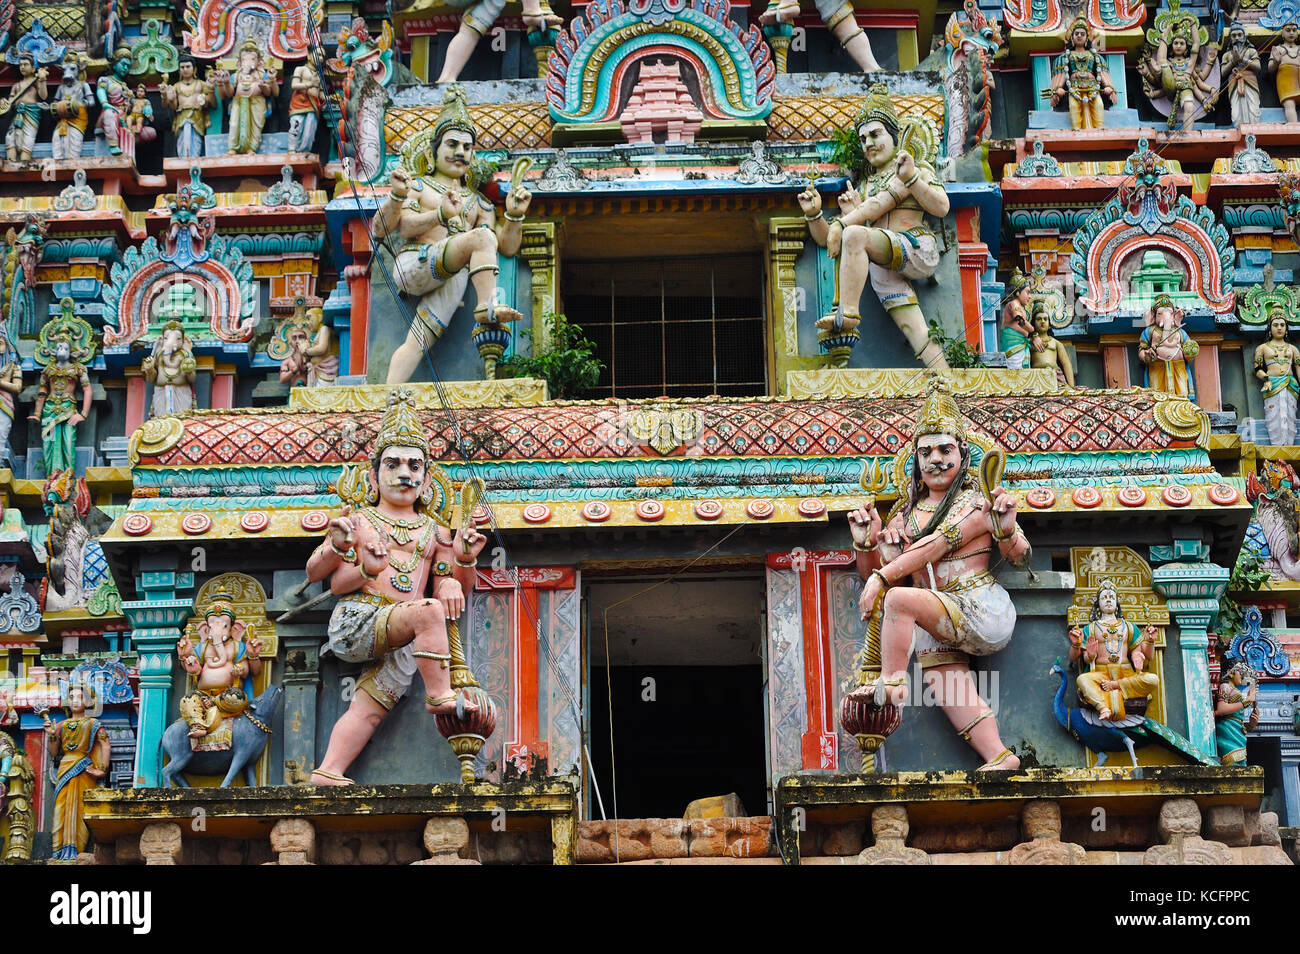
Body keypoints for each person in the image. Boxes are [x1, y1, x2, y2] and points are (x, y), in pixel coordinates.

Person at [842, 382, 1030, 770]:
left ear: (963, 452)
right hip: (936, 614)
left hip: (978, 605)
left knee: (899, 600)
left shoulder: (978, 503)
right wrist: (867, 547)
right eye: (925, 452)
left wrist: (1007, 528)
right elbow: (876, 581)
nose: (935, 459)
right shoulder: (904, 515)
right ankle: (999, 756)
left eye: (945, 449)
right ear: (915, 459)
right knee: (944, 682)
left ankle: (893, 683)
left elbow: (1015, 556)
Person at [306, 391, 488, 785]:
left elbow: (450, 586)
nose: (405, 473)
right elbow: (323, 576)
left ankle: (328, 771)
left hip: (406, 636)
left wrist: (464, 562)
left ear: (426, 479)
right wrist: (344, 549)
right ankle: (439, 694)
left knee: (370, 706)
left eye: (414, 465)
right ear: (373, 477)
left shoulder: (435, 530)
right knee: (428, 612)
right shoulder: (360, 521)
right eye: (393, 464)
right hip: (359, 621)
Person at [373, 86, 529, 384]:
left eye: (467, 147)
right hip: (415, 264)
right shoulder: (420, 186)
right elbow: (400, 226)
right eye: (452, 144)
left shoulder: (478, 202)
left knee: (417, 340)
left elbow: (505, 247)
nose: (460, 152)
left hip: (452, 276)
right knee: (481, 238)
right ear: (435, 150)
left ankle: (388, 397)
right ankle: (486, 306)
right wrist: (438, 214)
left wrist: (514, 215)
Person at [796, 84, 950, 369]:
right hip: (885, 262)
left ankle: (849, 312)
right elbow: (830, 240)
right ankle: (946, 381)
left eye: (876, 134)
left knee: (854, 232)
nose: (868, 143)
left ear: (894, 136)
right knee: (913, 329)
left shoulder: (912, 169)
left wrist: (913, 179)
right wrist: (815, 215)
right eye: (863, 138)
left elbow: (940, 206)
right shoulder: (866, 186)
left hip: (915, 247)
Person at [1067, 579, 1159, 721]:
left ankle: (1115, 687)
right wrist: (1088, 654)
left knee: (1153, 679)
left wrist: (1149, 642)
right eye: (1104, 597)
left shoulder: (1128, 627)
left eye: (1112, 597)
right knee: (1082, 680)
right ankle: (1103, 706)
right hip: (1101, 674)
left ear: (1117, 603)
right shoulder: (1090, 628)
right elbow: (1076, 658)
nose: (1108, 600)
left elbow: (1147, 655)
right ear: (1098, 604)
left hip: (1125, 674)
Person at [176, 594, 262, 741]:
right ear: (206, 629)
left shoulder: (237, 646)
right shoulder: (203, 647)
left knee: (236, 698)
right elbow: (194, 668)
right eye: (212, 626)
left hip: (227, 695)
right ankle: (198, 725)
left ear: (234, 629)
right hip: (203, 695)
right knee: (187, 700)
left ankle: (214, 704)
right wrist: (187, 660)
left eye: (223, 626)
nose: (216, 631)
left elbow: (251, 671)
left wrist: (243, 666)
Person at [43, 684, 110, 860]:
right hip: (65, 768)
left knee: (79, 809)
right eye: (71, 697)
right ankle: (58, 852)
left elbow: (104, 744)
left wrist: (101, 770)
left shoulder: (93, 723)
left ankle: (75, 852)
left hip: (83, 769)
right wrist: (51, 735)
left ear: (87, 701)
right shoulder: (62, 725)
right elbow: (55, 752)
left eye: (79, 697)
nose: (74, 701)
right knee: (61, 809)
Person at [1049, 18, 1117, 130]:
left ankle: (1099, 131)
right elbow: (1061, 74)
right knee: (1074, 107)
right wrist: (1058, 89)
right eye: (1076, 34)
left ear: (1087, 38)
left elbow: (1102, 73)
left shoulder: (1094, 56)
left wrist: (1109, 87)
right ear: (1072, 38)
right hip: (1074, 88)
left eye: (1082, 34)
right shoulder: (1066, 56)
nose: (1079, 36)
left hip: (1092, 87)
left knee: (1099, 105)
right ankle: (1076, 132)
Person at [215, 40, 279, 154]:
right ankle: (233, 148)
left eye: (252, 59)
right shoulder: (236, 75)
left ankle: (252, 148)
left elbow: (271, 93)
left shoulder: (261, 75)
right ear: (240, 62)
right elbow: (229, 94)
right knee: (234, 124)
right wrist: (225, 82)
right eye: (245, 59)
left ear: (259, 61)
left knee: (256, 125)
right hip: (238, 103)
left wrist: (265, 85)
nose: (248, 62)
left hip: (257, 103)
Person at [1138, 294, 1198, 397]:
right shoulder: (1150, 332)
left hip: (1179, 366)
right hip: (1157, 366)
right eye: (1160, 313)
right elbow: (1141, 350)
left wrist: (1190, 354)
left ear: (1175, 316)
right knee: (1157, 394)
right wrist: (1147, 355)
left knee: (1182, 393)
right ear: (1153, 316)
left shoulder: (1180, 332)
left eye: (1170, 313)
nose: (1166, 316)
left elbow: (1188, 348)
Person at [1254, 309, 1300, 445]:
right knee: (1273, 416)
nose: (1279, 328)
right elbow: (1257, 369)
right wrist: (1266, 379)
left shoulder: (1293, 349)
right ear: (1270, 328)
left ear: (1286, 328)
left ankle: (1289, 445)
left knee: (1290, 416)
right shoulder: (1262, 348)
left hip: (1291, 385)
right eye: (1275, 325)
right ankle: (1276, 446)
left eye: (1282, 325)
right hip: (1272, 385)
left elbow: (1298, 368)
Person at [160, 57, 215, 158]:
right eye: (182, 67)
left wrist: (209, 92)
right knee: (182, 142)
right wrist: (166, 97)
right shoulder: (176, 86)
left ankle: (194, 161)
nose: (185, 69)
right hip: (181, 117)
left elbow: (213, 104)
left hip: (197, 117)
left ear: (194, 69)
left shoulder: (201, 84)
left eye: (188, 66)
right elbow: (171, 107)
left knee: (196, 142)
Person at [2, 55, 48, 162]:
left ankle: (24, 162)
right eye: (21, 65)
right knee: (9, 139)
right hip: (17, 115)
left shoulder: (36, 82)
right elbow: (11, 102)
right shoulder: (16, 85)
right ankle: (11, 162)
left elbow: (44, 96)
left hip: (31, 115)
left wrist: (42, 79)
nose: (22, 67)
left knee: (27, 140)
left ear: (33, 68)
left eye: (25, 64)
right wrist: (4, 103)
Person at [1214, 662, 1256, 766]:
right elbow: (1221, 709)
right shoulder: (1225, 687)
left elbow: (1237, 719)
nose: (1242, 675)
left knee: (1240, 763)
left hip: (1236, 730)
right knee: (1232, 762)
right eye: (1240, 672)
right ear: (1230, 672)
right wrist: (1246, 701)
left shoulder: (1234, 690)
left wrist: (1251, 724)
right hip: (1227, 728)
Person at [1221, 21, 1262, 125]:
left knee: (1253, 108)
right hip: (1234, 82)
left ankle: (1253, 128)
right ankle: (1239, 127)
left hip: (1250, 81)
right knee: (1236, 112)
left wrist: (1243, 60)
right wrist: (1233, 62)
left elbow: (1258, 67)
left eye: (1240, 35)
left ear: (1244, 36)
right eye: (1234, 35)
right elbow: (1223, 72)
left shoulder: (1251, 51)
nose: (1237, 38)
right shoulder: (1226, 55)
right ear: (1230, 38)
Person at [999, 268, 1041, 369]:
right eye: (1027, 292)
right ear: (1017, 292)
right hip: (1013, 347)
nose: (1030, 296)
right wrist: (1033, 332)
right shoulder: (1013, 304)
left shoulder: (1019, 306)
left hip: (1021, 346)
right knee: (1015, 371)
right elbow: (1019, 319)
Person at [1028, 300, 1074, 387]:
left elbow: (1066, 364)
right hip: (1037, 377)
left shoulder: (1056, 343)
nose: (1042, 321)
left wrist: (1071, 386)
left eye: (1045, 319)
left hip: (1055, 376)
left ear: (1049, 324)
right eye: (1038, 319)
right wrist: (1033, 337)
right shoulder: (1029, 342)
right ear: (1033, 324)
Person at [1269, 20, 1300, 123]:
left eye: (1294, 30)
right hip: (1286, 76)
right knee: (1289, 103)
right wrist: (1276, 61)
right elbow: (1270, 68)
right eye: (1288, 30)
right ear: (1282, 33)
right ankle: (1294, 126)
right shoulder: (1278, 49)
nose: (1291, 33)